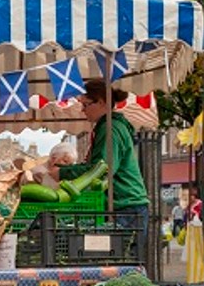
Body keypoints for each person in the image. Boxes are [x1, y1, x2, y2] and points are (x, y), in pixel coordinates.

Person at [47, 79, 149, 253]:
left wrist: (63, 173)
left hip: (125, 206)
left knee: (120, 264)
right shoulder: (107, 127)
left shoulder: (111, 129)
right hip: (124, 206)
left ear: (101, 102)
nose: (82, 110)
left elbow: (102, 169)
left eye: (86, 105)